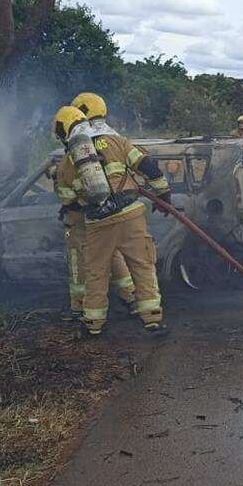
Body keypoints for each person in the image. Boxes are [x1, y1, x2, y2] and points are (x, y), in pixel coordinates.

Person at [52, 105, 172, 338]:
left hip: (98, 225)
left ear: (64, 132)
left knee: (96, 273)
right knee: (143, 266)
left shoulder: (67, 162)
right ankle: (152, 320)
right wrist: (163, 192)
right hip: (131, 216)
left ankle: (93, 325)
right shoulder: (117, 141)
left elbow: (68, 201)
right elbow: (147, 166)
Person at [57, 92, 135, 318]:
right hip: (112, 211)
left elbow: (69, 195)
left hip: (84, 220)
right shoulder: (113, 138)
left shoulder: (76, 152)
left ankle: (81, 309)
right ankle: (132, 298)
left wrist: (68, 200)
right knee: (115, 255)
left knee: (79, 264)